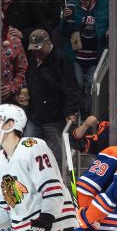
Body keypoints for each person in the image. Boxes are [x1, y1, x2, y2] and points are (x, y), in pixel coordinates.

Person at [24, 29, 80, 167]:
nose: (36, 52)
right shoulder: (33, 59)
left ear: (48, 43)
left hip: (54, 116)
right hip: (34, 114)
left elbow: (72, 88)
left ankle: (58, 182)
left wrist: (71, 111)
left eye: (38, 49)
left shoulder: (61, 59)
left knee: (56, 155)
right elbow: (29, 80)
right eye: (33, 49)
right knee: (26, 151)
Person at [59, 0, 109, 114]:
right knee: (78, 84)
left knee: (91, 85)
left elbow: (110, 24)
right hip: (77, 55)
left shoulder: (103, 4)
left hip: (95, 55)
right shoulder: (72, 4)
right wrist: (65, 18)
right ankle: (78, 112)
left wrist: (109, 32)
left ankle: (89, 113)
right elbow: (63, 32)